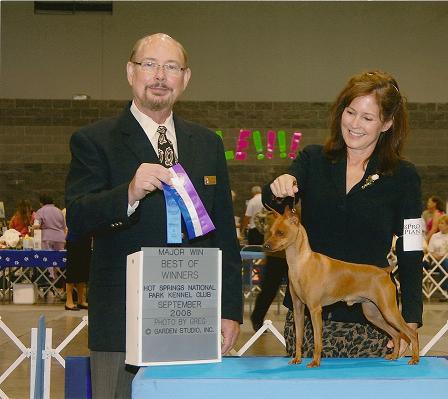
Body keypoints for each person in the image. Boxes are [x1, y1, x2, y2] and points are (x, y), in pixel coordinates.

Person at [65, 33, 242, 398]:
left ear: (185, 78)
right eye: (150, 64)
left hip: (194, 317)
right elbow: (79, 217)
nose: (160, 75)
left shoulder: (208, 144)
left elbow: (224, 232)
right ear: (131, 72)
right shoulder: (94, 140)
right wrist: (128, 193)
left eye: (171, 67)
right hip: (122, 324)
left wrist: (230, 309)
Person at [262, 70, 423, 359]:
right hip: (309, 322)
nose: (355, 124)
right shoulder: (313, 160)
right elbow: (274, 199)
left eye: (367, 117)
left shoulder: (404, 176)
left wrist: (411, 312)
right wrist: (279, 185)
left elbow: (411, 247)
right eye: (350, 112)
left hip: (371, 323)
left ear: (386, 123)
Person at [427, 214, 448, 301]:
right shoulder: (434, 236)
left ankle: (444, 292)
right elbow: (430, 251)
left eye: (442, 223)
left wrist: (446, 257)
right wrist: (436, 257)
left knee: (444, 263)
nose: (439, 225)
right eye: (439, 223)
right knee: (442, 263)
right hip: (435, 262)